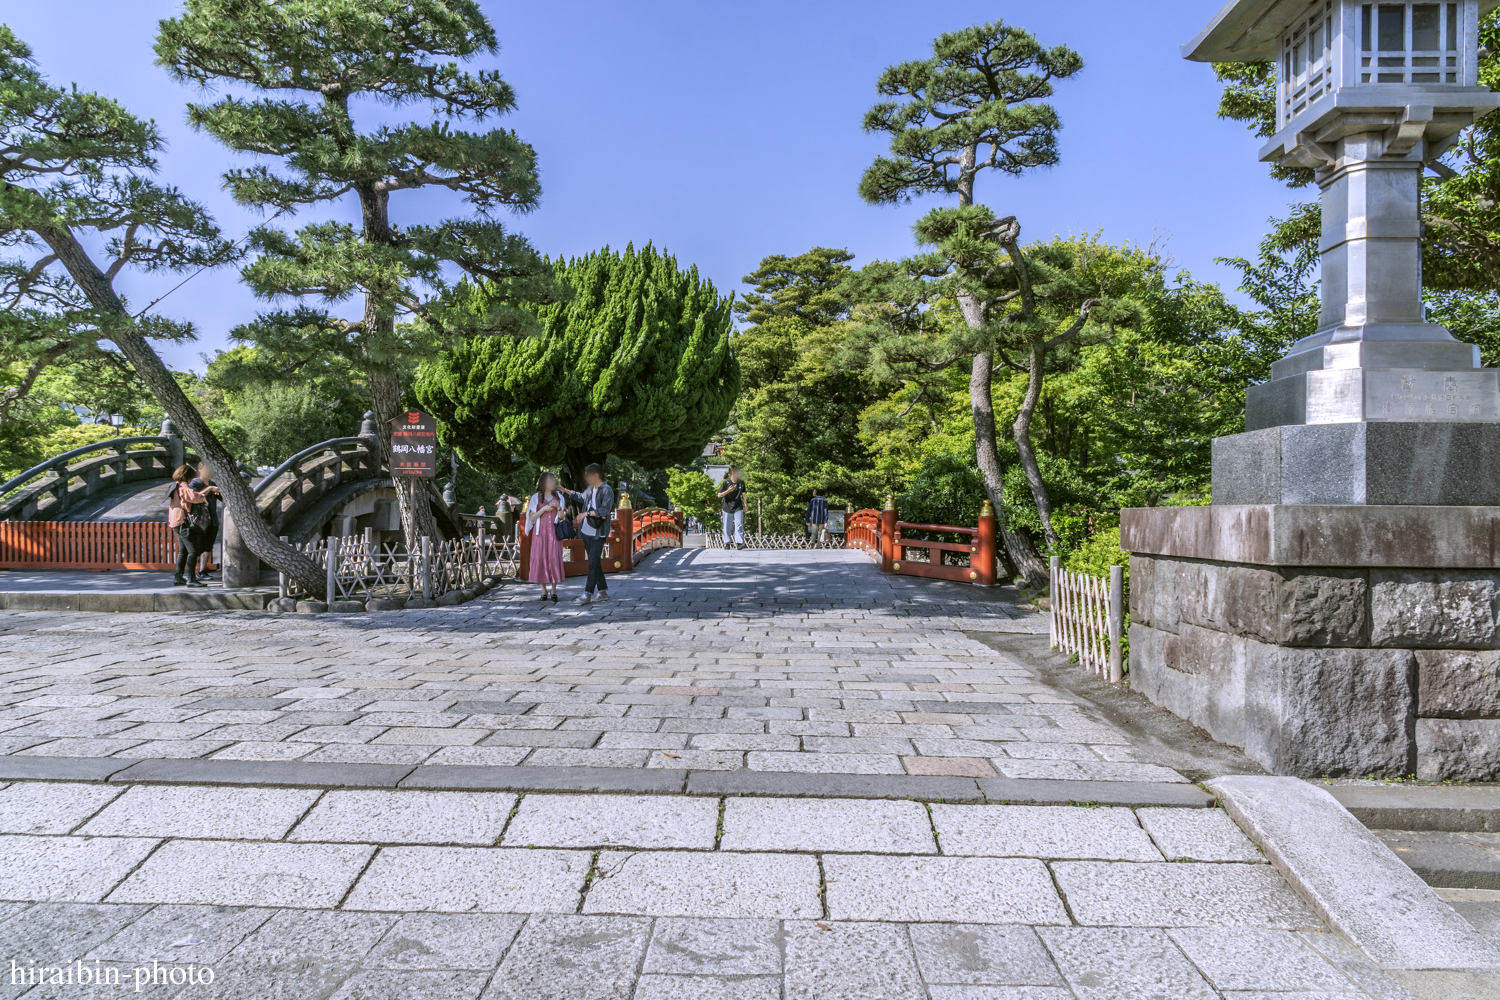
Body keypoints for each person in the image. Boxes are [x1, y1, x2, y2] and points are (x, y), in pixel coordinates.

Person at [560, 464, 614, 605]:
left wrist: (586, 513)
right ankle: (602, 592)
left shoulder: (607, 490)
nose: (585, 477)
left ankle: (587, 594)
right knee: (594, 562)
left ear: (595, 475)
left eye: (587, 475)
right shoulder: (591, 489)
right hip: (586, 531)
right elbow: (581, 497)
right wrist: (564, 490)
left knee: (593, 564)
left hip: (599, 532)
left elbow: (605, 510)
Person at [166, 464, 216, 587]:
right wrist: (206, 492)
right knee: (193, 551)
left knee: (183, 551)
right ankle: (191, 579)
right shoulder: (183, 486)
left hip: (175, 521)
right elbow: (194, 497)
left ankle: (179, 577)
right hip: (183, 521)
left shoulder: (175, 485)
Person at [523, 473, 566, 603]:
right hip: (540, 533)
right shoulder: (536, 497)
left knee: (554, 558)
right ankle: (543, 590)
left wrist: (558, 508)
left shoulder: (559, 497)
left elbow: (562, 517)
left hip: (554, 532)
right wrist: (544, 509)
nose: (552, 483)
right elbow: (531, 517)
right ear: (543, 483)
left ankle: (553, 590)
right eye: (549, 481)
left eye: (553, 480)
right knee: (540, 558)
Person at [191, 461, 221, 579]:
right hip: (199, 518)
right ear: (200, 469)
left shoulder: (213, 483)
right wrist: (209, 489)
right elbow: (194, 497)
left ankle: (202, 570)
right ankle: (192, 572)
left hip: (212, 518)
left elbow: (221, 498)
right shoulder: (195, 483)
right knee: (198, 546)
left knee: (209, 545)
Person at [717, 467, 747, 549]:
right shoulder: (726, 483)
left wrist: (745, 506)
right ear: (733, 472)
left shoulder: (741, 482)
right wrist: (728, 491)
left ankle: (740, 543)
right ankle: (727, 543)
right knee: (727, 525)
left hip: (738, 506)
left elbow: (743, 494)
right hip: (727, 506)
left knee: (739, 525)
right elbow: (719, 495)